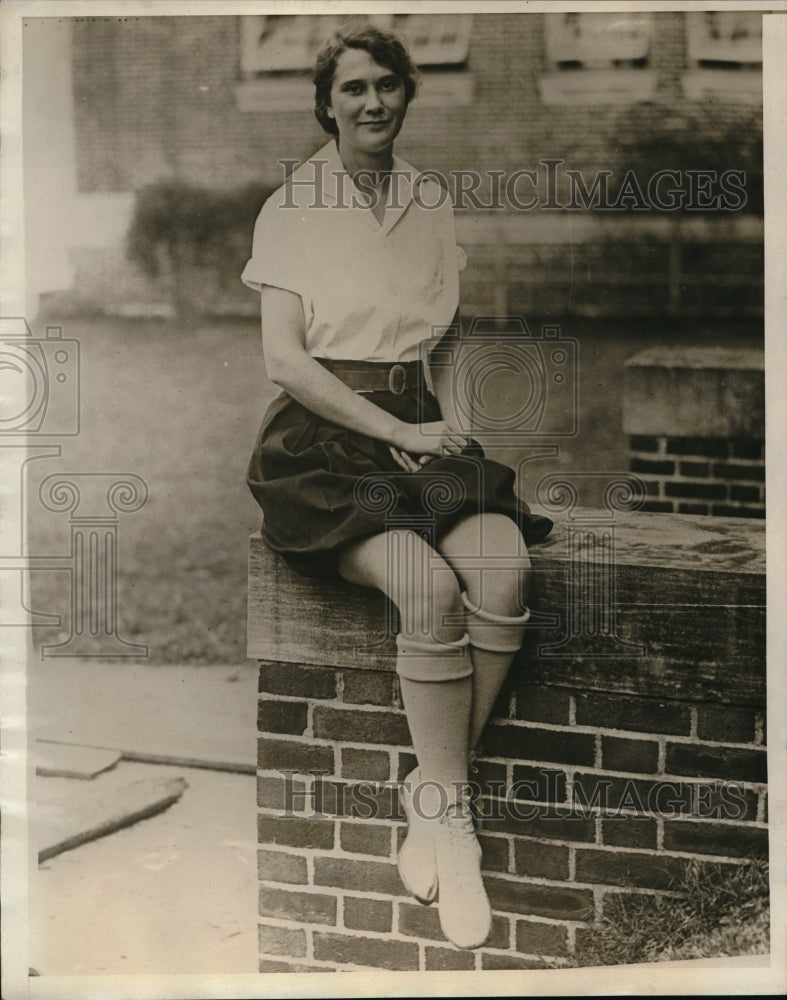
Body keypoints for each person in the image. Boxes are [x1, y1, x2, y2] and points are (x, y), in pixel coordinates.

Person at [242, 23, 553, 951]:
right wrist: (395, 430)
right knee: (427, 586)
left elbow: (438, 338)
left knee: (502, 572)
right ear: (326, 104)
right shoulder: (293, 204)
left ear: (407, 93)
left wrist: (442, 420)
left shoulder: (428, 198)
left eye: (386, 85)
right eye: (352, 90)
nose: (372, 103)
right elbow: (285, 362)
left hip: (417, 433)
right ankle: (456, 832)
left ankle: (431, 798)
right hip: (326, 447)